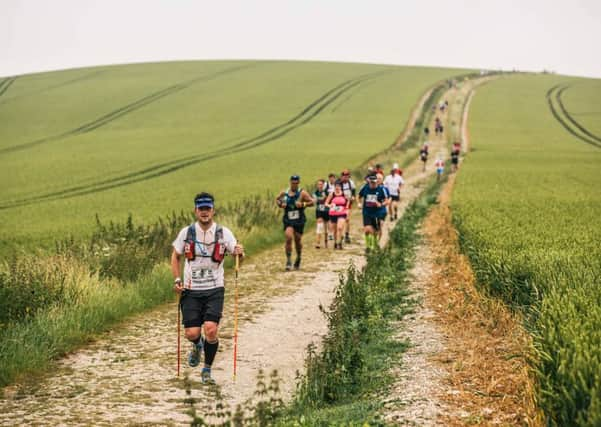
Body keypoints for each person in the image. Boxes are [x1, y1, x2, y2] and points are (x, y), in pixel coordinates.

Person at [171, 192, 245, 385]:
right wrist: (177, 278)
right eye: (201, 209)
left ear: (213, 210)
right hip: (191, 290)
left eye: (208, 209)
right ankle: (197, 346)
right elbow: (175, 255)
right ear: (195, 211)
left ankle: (207, 370)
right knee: (192, 333)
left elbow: (238, 257)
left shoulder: (223, 233)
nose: (204, 213)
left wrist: (239, 253)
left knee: (211, 330)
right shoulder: (186, 233)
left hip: (214, 289)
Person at [276, 175, 314, 271]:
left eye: (296, 183)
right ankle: (288, 260)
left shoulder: (302, 193)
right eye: (293, 183)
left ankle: (298, 257)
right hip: (288, 219)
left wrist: (303, 204)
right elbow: (277, 199)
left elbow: (312, 202)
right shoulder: (284, 193)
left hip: (299, 220)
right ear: (290, 182)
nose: (294, 185)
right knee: (288, 237)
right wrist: (281, 204)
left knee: (297, 240)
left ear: (299, 183)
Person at [358, 175, 389, 252]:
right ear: (369, 182)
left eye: (374, 183)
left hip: (377, 213)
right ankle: (368, 246)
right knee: (367, 230)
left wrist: (381, 204)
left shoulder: (381, 189)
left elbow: (387, 200)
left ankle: (375, 244)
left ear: (377, 182)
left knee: (375, 231)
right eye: (371, 183)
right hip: (367, 212)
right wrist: (358, 203)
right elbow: (359, 196)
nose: (373, 184)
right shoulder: (365, 188)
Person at [325, 180, 350, 249]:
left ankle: (340, 243)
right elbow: (326, 203)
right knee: (335, 230)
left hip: (342, 213)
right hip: (333, 213)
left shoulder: (344, 194)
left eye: (338, 186)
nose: (337, 187)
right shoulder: (331, 194)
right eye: (336, 186)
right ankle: (336, 243)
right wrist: (330, 205)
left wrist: (347, 207)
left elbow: (348, 200)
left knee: (340, 227)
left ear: (341, 187)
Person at [339, 169, 356, 244]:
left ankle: (346, 235)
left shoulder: (351, 183)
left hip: (348, 203)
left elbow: (354, 192)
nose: (346, 177)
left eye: (347, 176)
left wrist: (353, 197)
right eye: (344, 176)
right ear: (341, 176)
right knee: (340, 220)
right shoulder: (338, 183)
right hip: (340, 203)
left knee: (347, 219)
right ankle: (340, 234)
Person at [313, 179, 330, 249]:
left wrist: (324, 199)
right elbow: (315, 200)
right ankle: (318, 243)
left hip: (326, 211)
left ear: (323, 185)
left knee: (326, 228)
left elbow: (327, 199)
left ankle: (326, 242)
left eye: (321, 184)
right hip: (319, 210)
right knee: (319, 225)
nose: (319, 186)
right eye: (318, 184)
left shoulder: (327, 192)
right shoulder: (315, 193)